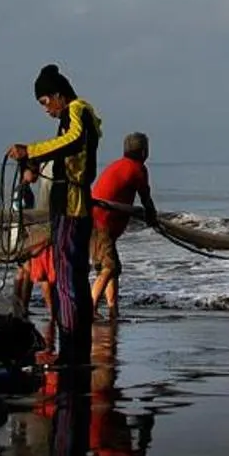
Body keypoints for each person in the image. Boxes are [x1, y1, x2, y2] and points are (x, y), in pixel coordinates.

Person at [9, 63, 102, 364]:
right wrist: (36, 161)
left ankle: (74, 349)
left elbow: (73, 140)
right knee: (71, 277)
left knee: (68, 279)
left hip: (72, 206)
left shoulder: (76, 111)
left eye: (46, 102)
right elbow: (67, 149)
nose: (46, 109)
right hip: (70, 204)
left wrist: (32, 151)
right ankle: (75, 348)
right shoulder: (71, 115)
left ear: (58, 95)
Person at [90, 131, 160, 321]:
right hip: (102, 223)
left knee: (112, 268)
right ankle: (90, 307)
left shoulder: (118, 165)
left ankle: (113, 311)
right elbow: (146, 197)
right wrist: (152, 217)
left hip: (95, 222)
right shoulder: (137, 169)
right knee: (109, 267)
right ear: (144, 152)